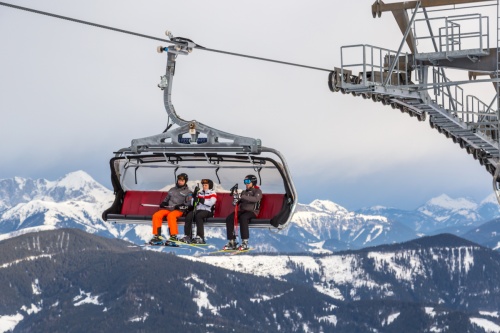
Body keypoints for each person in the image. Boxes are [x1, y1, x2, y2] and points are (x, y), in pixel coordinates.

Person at [149, 173, 192, 244]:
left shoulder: (188, 192)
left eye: (182, 180)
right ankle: (157, 236)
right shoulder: (172, 189)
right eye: (179, 180)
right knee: (156, 215)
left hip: (179, 210)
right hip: (168, 209)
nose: (180, 182)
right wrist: (164, 203)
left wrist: (180, 205)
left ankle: (173, 236)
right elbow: (166, 199)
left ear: (185, 181)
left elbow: (188, 203)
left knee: (171, 216)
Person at [223, 174, 262, 251]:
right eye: (245, 181)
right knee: (229, 218)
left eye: (248, 181)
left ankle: (245, 242)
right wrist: (235, 200)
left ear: (253, 182)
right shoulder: (244, 192)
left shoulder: (258, 191)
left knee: (243, 218)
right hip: (243, 211)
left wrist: (242, 196)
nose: (246, 184)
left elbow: (255, 199)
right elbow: (236, 203)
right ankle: (232, 241)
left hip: (252, 212)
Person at [181, 178, 217, 244]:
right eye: (203, 185)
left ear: (210, 186)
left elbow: (211, 203)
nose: (204, 187)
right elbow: (192, 203)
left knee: (199, 216)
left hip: (207, 211)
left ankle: (200, 236)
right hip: (198, 209)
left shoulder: (212, 193)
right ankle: (188, 235)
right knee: (189, 216)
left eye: (206, 185)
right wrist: (194, 197)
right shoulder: (200, 193)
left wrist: (201, 200)